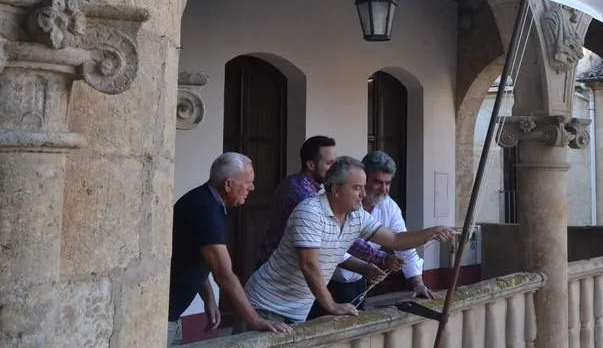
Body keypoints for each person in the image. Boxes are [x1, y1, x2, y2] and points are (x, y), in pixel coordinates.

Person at [238, 156, 457, 329]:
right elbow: (309, 264)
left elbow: (395, 240)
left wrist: (432, 232)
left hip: (296, 311)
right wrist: (332, 306)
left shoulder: (356, 215)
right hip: (264, 305)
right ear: (335, 190)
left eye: (363, 187)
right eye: (357, 188)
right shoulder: (309, 211)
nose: (363, 194)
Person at [256, 136, 404, 319]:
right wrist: (379, 258)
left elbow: (395, 237)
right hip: (279, 286)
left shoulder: (314, 190)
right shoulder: (306, 199)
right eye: (330, 163)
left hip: (300, 285)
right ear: (311, 165)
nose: (335, 168)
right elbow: (335, 241)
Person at [166, 153, 291, 346]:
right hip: (164, 318)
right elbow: (224, 274)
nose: (252, 187)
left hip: (173, 315)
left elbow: (197, 255)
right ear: (228, 185)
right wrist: (256, 320)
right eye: (248, 182)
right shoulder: (204, 209)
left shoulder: (208, 202)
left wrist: (209, 298)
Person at [315, 151, 435, 315]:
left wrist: (418, 284)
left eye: (388, 183)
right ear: (364, 179)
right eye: (378, 182)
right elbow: (336, 245)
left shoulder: (389, 207)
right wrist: (371, 263)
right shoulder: (334, 204)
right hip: (323, 282)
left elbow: (400, 242)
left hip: (356, 283)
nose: (383, 189)